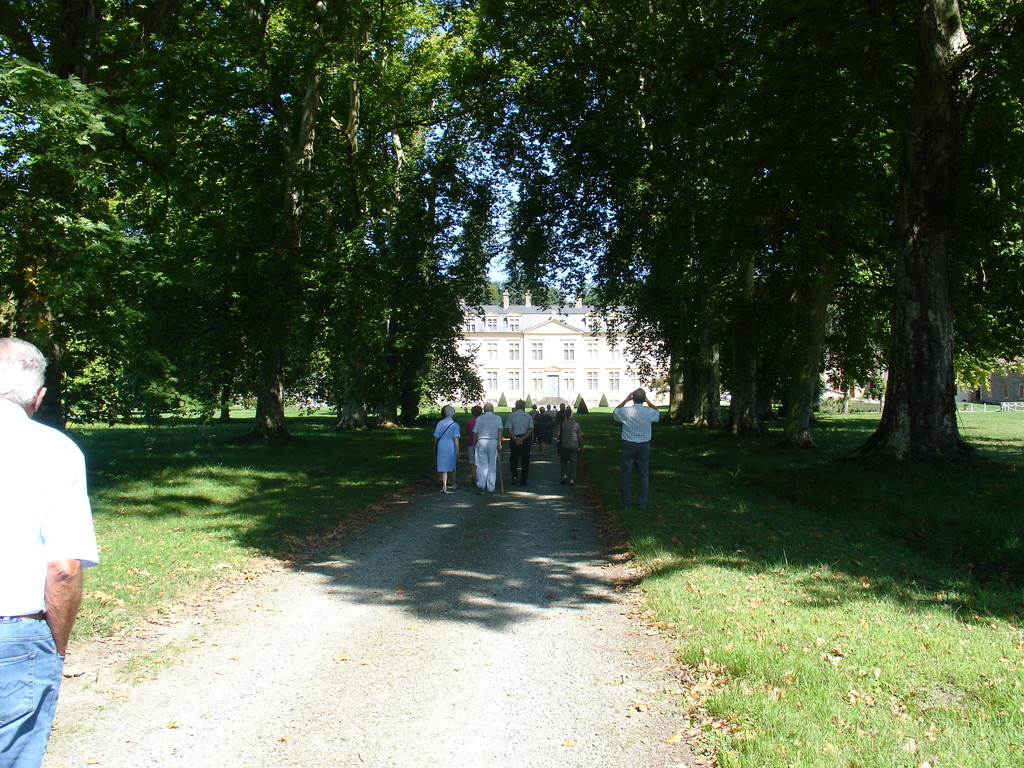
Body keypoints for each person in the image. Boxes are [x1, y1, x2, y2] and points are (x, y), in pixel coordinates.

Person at [0, 337, 99, 768]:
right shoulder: (55, 451)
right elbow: (63, 568)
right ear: (38, 397)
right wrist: (52, 649)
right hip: (14, 635)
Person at [614, 387, 661, 510]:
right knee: (643, 476)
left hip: (628, 444)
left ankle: (625, 504)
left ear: (633, 398)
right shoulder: (649, 412)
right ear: (644, 399)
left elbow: (616, 411)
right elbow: (657, 412)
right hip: (644, 445)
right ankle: (642, 504)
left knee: (625, 475)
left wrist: (625, 399)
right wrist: (648, 401)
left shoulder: (625, 411)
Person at [472, 402, 504, 494]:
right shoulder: (498, 418)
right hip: (493, 442)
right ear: (493, 409)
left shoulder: (479, 418)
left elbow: (475, 432)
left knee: (481, 464)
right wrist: (499, 442)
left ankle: (481, 484)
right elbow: (500, 430)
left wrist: (474, 444)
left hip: (481, 441)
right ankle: (490, 486)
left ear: (484, 409)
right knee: (492, 464)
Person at [504, 399, 534, 487]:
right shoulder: (528, 416)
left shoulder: (511, 416)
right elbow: (531, 429)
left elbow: (509, 428)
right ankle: (523, 479)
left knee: (513, 458)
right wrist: (522, 438)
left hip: (515, 438)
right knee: (525, 459)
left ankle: (514, 475)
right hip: (525, 439)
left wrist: (515, 438)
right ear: (524, 407)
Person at [432, 405, 460, 493]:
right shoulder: (455, 424)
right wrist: (457, 449)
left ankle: (444, 485)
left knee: (442, 463)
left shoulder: (440, 423)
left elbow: (436, 436)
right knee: (452, 463)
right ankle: (453, 483)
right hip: (450, 444)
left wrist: (435, 445)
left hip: (442, 443)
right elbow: (456, 438)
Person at [557, 407, 584, 485]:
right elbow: (579, 436)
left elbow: (558, 435)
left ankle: (564, 475)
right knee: (573, 462)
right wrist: (581, 446)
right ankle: (572, 479)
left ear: (565, 415)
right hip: (574, 445)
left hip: (564, 445)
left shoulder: (561, 423)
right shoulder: (576, 424)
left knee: (563, 460)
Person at [466, 404, 483, 485]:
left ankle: (473, 475)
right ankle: (479, 476)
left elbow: (468, 432)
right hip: (481, 442)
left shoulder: (469, 421)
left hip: (471, 442)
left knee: (472, 461)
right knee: (480, 460)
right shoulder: (483, 421)